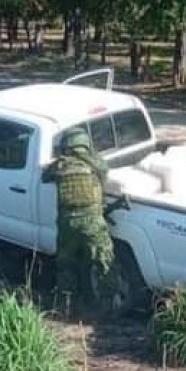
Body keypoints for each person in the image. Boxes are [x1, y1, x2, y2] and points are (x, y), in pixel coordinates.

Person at [42, 128, 116, 315]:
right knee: (103, 262)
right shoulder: (96, 164)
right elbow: (104, 174)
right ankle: (108, 307)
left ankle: (66, 306)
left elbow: (45, 176)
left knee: (66, 264)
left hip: (68, 223)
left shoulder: (59, 166)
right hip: (92, 222)